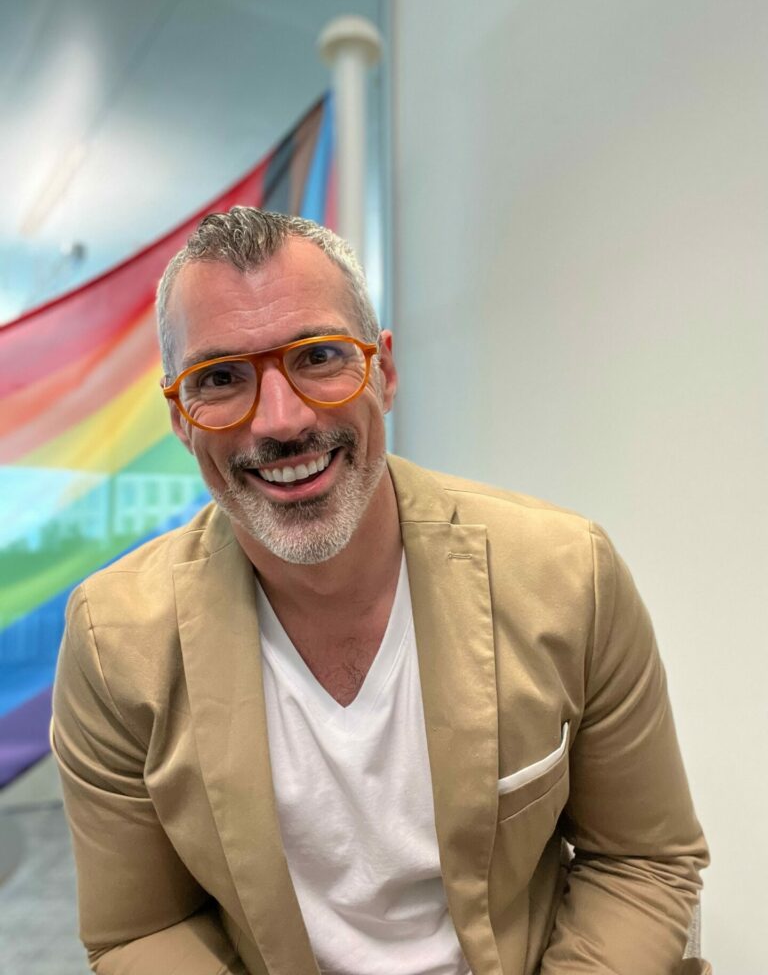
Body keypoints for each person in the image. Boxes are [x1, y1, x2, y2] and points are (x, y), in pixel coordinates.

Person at [52, 207, 709, 975]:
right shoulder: (115, 644)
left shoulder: (569, 578)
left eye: (321, 356)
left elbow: (642, 860)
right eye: (221, 378)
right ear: (180, 418)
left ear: (385, 372)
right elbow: (139, 930)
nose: (283, 420)